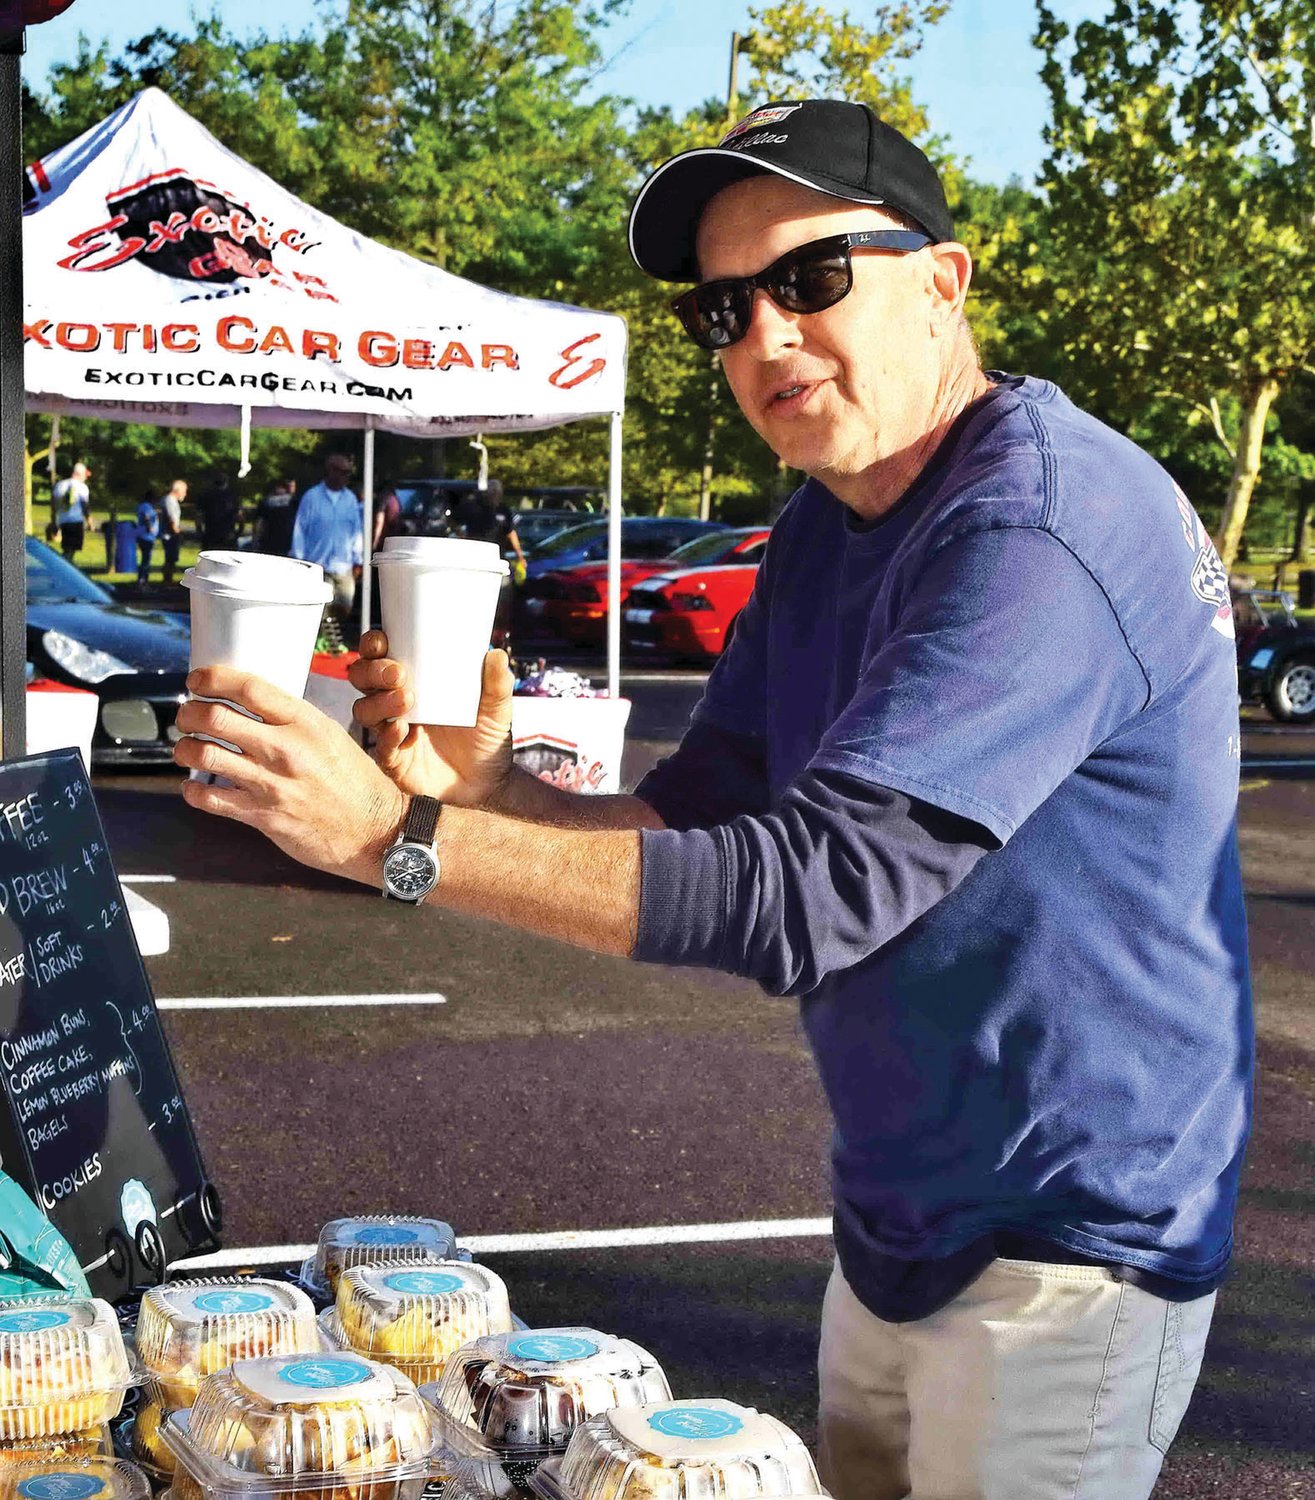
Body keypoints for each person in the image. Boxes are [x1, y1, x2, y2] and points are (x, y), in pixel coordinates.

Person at [174, 99, 1251, 1500]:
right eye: (721, 310)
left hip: (1072, 1240)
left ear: (940, 280)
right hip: (896, 1214)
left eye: (808, 280)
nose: (762, 335)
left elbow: (815, 893)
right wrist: (482, 789)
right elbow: (704, 814)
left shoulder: (1037, 522)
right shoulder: (826, 518)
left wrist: (398, 842)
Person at [290, 454, 363, 620]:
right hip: (317, 564)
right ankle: (322, 643)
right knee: (320, 612)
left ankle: (335, 642)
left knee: (344, 607)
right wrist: (299, 560)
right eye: (342, 472)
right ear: (330, 470)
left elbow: (356, 530)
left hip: (343, 565)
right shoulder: (311, 497)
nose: (345, 476)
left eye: (348, 473)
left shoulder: (350, 499)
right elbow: (300, 530)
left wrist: (358, 559)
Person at [449, 479, 527, 583]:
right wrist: (461, 535)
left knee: (502, 588)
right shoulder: (473, 506)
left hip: (497, 558)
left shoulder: (503, 510)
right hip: (474, 557)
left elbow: (511, 532)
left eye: (497, 492)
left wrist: (520, 556)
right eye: (492, 492)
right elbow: (452, 519)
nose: (494, 495)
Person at [51, 461, 93, 562]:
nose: (86, 477)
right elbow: (85, 506)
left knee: (67, 547)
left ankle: (66, 565)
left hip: (63, 521)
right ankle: (64, 568)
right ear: (78, 474)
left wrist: (54, 522)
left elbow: (54, 505)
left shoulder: (60, 485)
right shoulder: (82, 487)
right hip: (76, 521)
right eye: (84, 475)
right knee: (71, 550)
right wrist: (90, 523)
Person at [255, 478, 299, 556]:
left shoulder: (266, 502)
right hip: (286, 541)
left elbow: (260, 523)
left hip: (269, 541)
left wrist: (257, 539)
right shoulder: (294, 501)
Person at [197, 472, 239, 552]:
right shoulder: (231, 496)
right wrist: (238, 532)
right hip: (228, 533)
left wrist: (199, 531)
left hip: (210, 533)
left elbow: (199, 516)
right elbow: (239, 516)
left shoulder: (205, 495)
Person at [159, 478, 187, 586]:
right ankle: (167, 581)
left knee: (172, 559)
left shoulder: (171, 500)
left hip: (171, 534)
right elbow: (172, 520)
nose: (185, 494)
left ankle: (168, 580)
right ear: (177, 490)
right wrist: (177, 533)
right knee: (170, 559)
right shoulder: (169, 500)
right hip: (169, 535)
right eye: (184, 491)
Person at [134, 489, 160, 587]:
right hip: (146, 536)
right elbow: (147, 517)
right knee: (146, 559)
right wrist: (150, 528)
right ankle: (143, 580)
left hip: (147, 536)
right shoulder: (146, 506)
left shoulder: (147, 506)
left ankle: (143, 579)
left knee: (146, 559)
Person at [372, 486, 403, 552]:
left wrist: (375, 541)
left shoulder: (383, 499)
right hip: (394, 540)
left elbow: (379, 520)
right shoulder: (395, 500)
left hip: (384, 541)